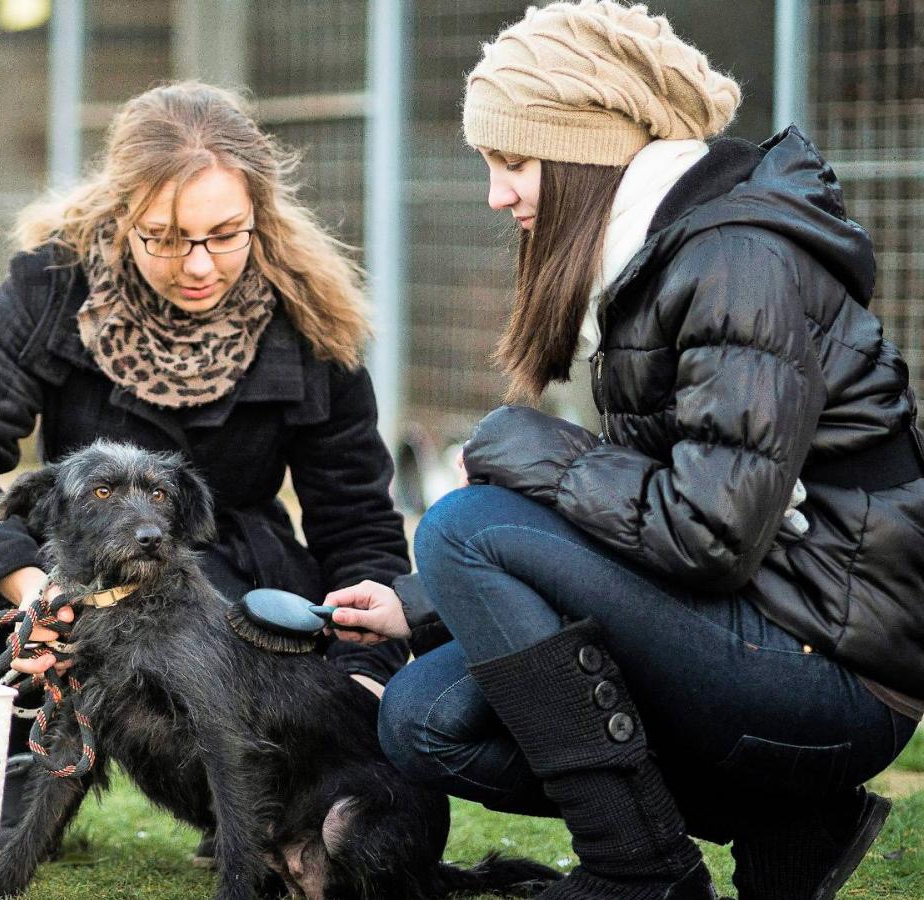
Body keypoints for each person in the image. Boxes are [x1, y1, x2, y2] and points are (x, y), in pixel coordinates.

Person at [324, 3, 924, 898]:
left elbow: (706, 534)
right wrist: (424, 607)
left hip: (831, 674)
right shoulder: (659, 258)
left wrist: (539, 452)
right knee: (424, 719)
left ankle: (639, 873)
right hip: (760, 626)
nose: (498, 193)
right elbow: (633, 516)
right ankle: (786, 820)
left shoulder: (737, 262)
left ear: (585, 150)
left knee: (463, 524)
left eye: (513, 163)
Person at [0, 81, 412, 851]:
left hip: (234, 575)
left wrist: (368, 668)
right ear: (121, 214)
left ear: (260, 217)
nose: (199, 264)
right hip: (79, 558)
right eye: (165, 237)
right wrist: (32, 590)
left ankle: (246, 806)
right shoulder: (50, 288)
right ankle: (26, 784)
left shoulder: (314, 322)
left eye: (224, 233)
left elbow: (356, 518)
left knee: (220, 622)